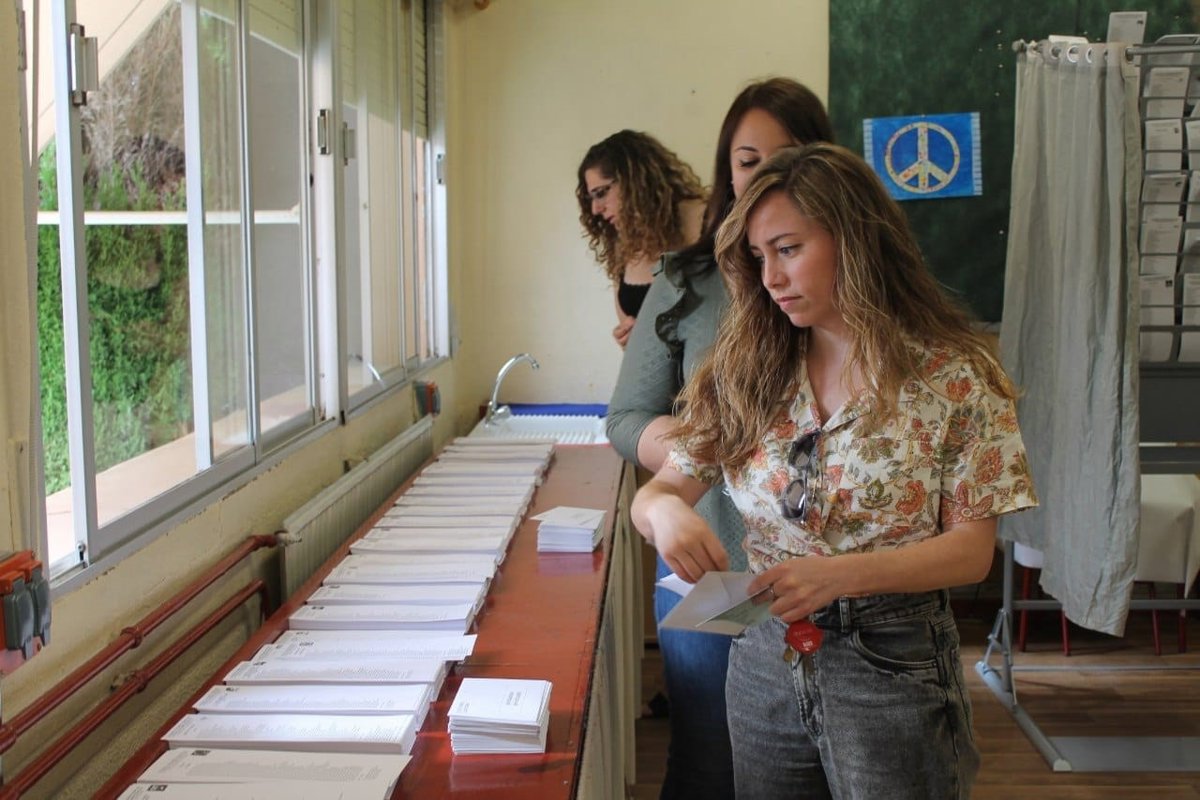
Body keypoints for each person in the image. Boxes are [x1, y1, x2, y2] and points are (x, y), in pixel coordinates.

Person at [630, 143, 1038, 800]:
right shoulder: (747, 372)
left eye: (788, 249)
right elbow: (657, 492)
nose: (771, 277)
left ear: (856, 240)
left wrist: (840, 575)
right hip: (764, 653)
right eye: (758, 257)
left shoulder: (955, 378)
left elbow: (970, 553)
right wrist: (665, 512)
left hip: (892, 660)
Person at [606, 78, 834, 800]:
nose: (766, 175)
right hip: (715, 571)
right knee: (709, 758)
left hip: (833, 584)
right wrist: (697, 450)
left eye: (788, 156)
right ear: (726, 170)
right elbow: (626, 418)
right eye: (748, 160)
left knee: (816, 768)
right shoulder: (688, 283)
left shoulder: (854, 291)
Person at [576, 130, 705, 348]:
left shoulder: (704, 218)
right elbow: (631, 336)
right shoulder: (621, 245)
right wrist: (627, 340)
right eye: (591, 198)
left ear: (632, 180)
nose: (595, 209)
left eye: (601, 193)